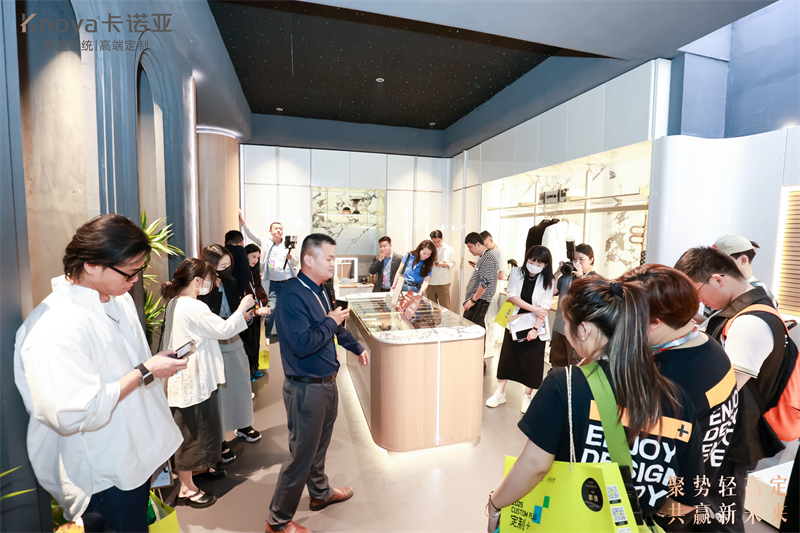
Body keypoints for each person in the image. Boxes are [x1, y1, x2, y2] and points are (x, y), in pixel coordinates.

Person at [485, 276, 704, 533]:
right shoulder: (677, 397)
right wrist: (640, 516)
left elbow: (534, 466)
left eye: (566, 322)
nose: (565, 331)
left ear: (584, 329)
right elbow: (688, 501)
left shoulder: (564, 385)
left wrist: (495, 505)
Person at [14, 214, 188, 531]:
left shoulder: (118, 299)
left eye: (140, 269)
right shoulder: (53, 327)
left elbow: (129, 367)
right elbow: (73, 413)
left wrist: (152, 367)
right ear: (92, 265)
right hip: (106, 477)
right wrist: (145, 370)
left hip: (137, 456)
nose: (135, 279)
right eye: (130, 271)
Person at [675, 247, 787, 532]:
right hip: (725, 433)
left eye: (696, 291)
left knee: (720, 514)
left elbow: (725, 388)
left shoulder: (751, 323)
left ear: (718, 280)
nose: (697, 301)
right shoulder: (743, 311)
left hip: (730, 437)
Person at [620, 264, 739, 530]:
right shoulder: (710, 348)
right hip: (699, 489)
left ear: (654, 322)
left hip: (666, 510)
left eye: (625, 317)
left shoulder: (668, 380)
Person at [267, 234, 370, 533]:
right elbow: (303, 344)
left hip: (326, 383)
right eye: (330, 258)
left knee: (318, 447)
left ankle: (320, 493)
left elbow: (333, 328)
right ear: (308, 260)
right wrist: (331, 321)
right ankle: (277, 521)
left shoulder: (321, 290)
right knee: (300, 455)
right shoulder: (292, 296)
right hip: (305, 388)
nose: (333, 263)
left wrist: (356, 346)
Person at [161, 258, 255, 509]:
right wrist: (242, 308)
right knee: (193, 431)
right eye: (210, 280)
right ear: (197, 281)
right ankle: (186, 488)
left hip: (190, 378)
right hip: (193, 381)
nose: (212, 284)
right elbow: (223, 330)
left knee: (199, 429)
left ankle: (198, 471)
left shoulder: (175, 303)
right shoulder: (193, 306)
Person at [199, 245, 264, 463]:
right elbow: (211, 322)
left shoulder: (231, 282)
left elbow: (238, 311)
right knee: (219, 392)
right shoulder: (203, 289)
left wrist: (249, 314)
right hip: (214, 342)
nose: (227, 269)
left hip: (234, 338)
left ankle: (243, 425)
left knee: (241, 383)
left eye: (229, 264)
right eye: (222, 265)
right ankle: (219, 440)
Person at [485, 245, 555, 413]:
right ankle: (499, 392)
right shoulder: (516, 272)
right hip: (516, 322)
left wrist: (535, 329)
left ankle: (527, 397)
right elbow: (512, 296)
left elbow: (544, 307)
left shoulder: (549, 280)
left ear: (545, 265)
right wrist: (534, 308)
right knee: (507, 358)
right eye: (532, 261)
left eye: (539, 263)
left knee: (532, 363)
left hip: (535, 324)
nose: (534, 265)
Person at [239, 212, 299, 338]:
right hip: (275, 284)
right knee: (271, 310)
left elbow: (296, 262)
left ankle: (292, 335)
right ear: (270, 231)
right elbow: (252, 235)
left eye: (281, 229)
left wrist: (291, 257)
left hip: (290, 282)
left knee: (292, 310)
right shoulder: (265, 243)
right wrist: (242, 222)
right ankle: (266, 336)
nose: (278, 230)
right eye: (276, 228)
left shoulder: (288, 245)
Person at [549, 243, 597, 368]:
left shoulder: (595, 279)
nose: (577, 263)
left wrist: (581, 277)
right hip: (559, 328)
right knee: (557, 367)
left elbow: (589, 300)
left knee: (575, 368)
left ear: (591, 260)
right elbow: (552, 292)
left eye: (582, 259)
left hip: (578, 333)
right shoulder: (567, 275)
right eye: (575, 260)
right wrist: (557, 273)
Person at [713, 235, 779, 307]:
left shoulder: (762, 294)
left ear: (743, 260)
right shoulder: (717, 289)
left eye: (722, 262)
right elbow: (710, 314)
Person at [463, 232, 500, 355]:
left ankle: (475, 359)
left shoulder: (488, 258)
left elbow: (485, 282)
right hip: (478, 300)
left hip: (479, 300)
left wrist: (473, 300)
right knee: (477, 329)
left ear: (478, 244)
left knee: (471, 329)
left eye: (470, 247)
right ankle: (477, 360)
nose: (469, 250)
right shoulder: (484, 257)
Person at [240, 243, 270, 377]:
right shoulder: (242, 274)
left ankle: (254, 368)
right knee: (248, 342)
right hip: (248, 314)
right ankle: (249, 371)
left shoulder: (254, 273)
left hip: (257, 314)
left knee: (256, 341)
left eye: (257, 258)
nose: (255, 260)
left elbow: (259, 291)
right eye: (253, 257)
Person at [479, 231, 507, 358]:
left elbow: (501, 275)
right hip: (483, 289)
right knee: (484, 319)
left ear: (490, 240)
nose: (484, 247)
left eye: (485, 244)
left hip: (493, 289)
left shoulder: (499, 252)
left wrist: (487, 272)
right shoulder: (487, 252)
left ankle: (489, 349)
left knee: (490, 320)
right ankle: (484, 347)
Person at [428, 229, 454, 310]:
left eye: (438, 241)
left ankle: (446, 319)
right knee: (431, 308)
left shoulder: (449, 249)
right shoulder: (429, 249)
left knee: (445, 307)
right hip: (430, 282)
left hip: (443, 282)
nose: (436, 244)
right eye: (434, 242)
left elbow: (453, 263)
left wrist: (443, 264)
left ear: (442, 238)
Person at [224, 230, 251, 296]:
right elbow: (245, 271)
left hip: (223, 287)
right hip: (236, 287)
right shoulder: (240, 250)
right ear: (241, 242)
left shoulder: (222, 251)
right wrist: (241, 290)